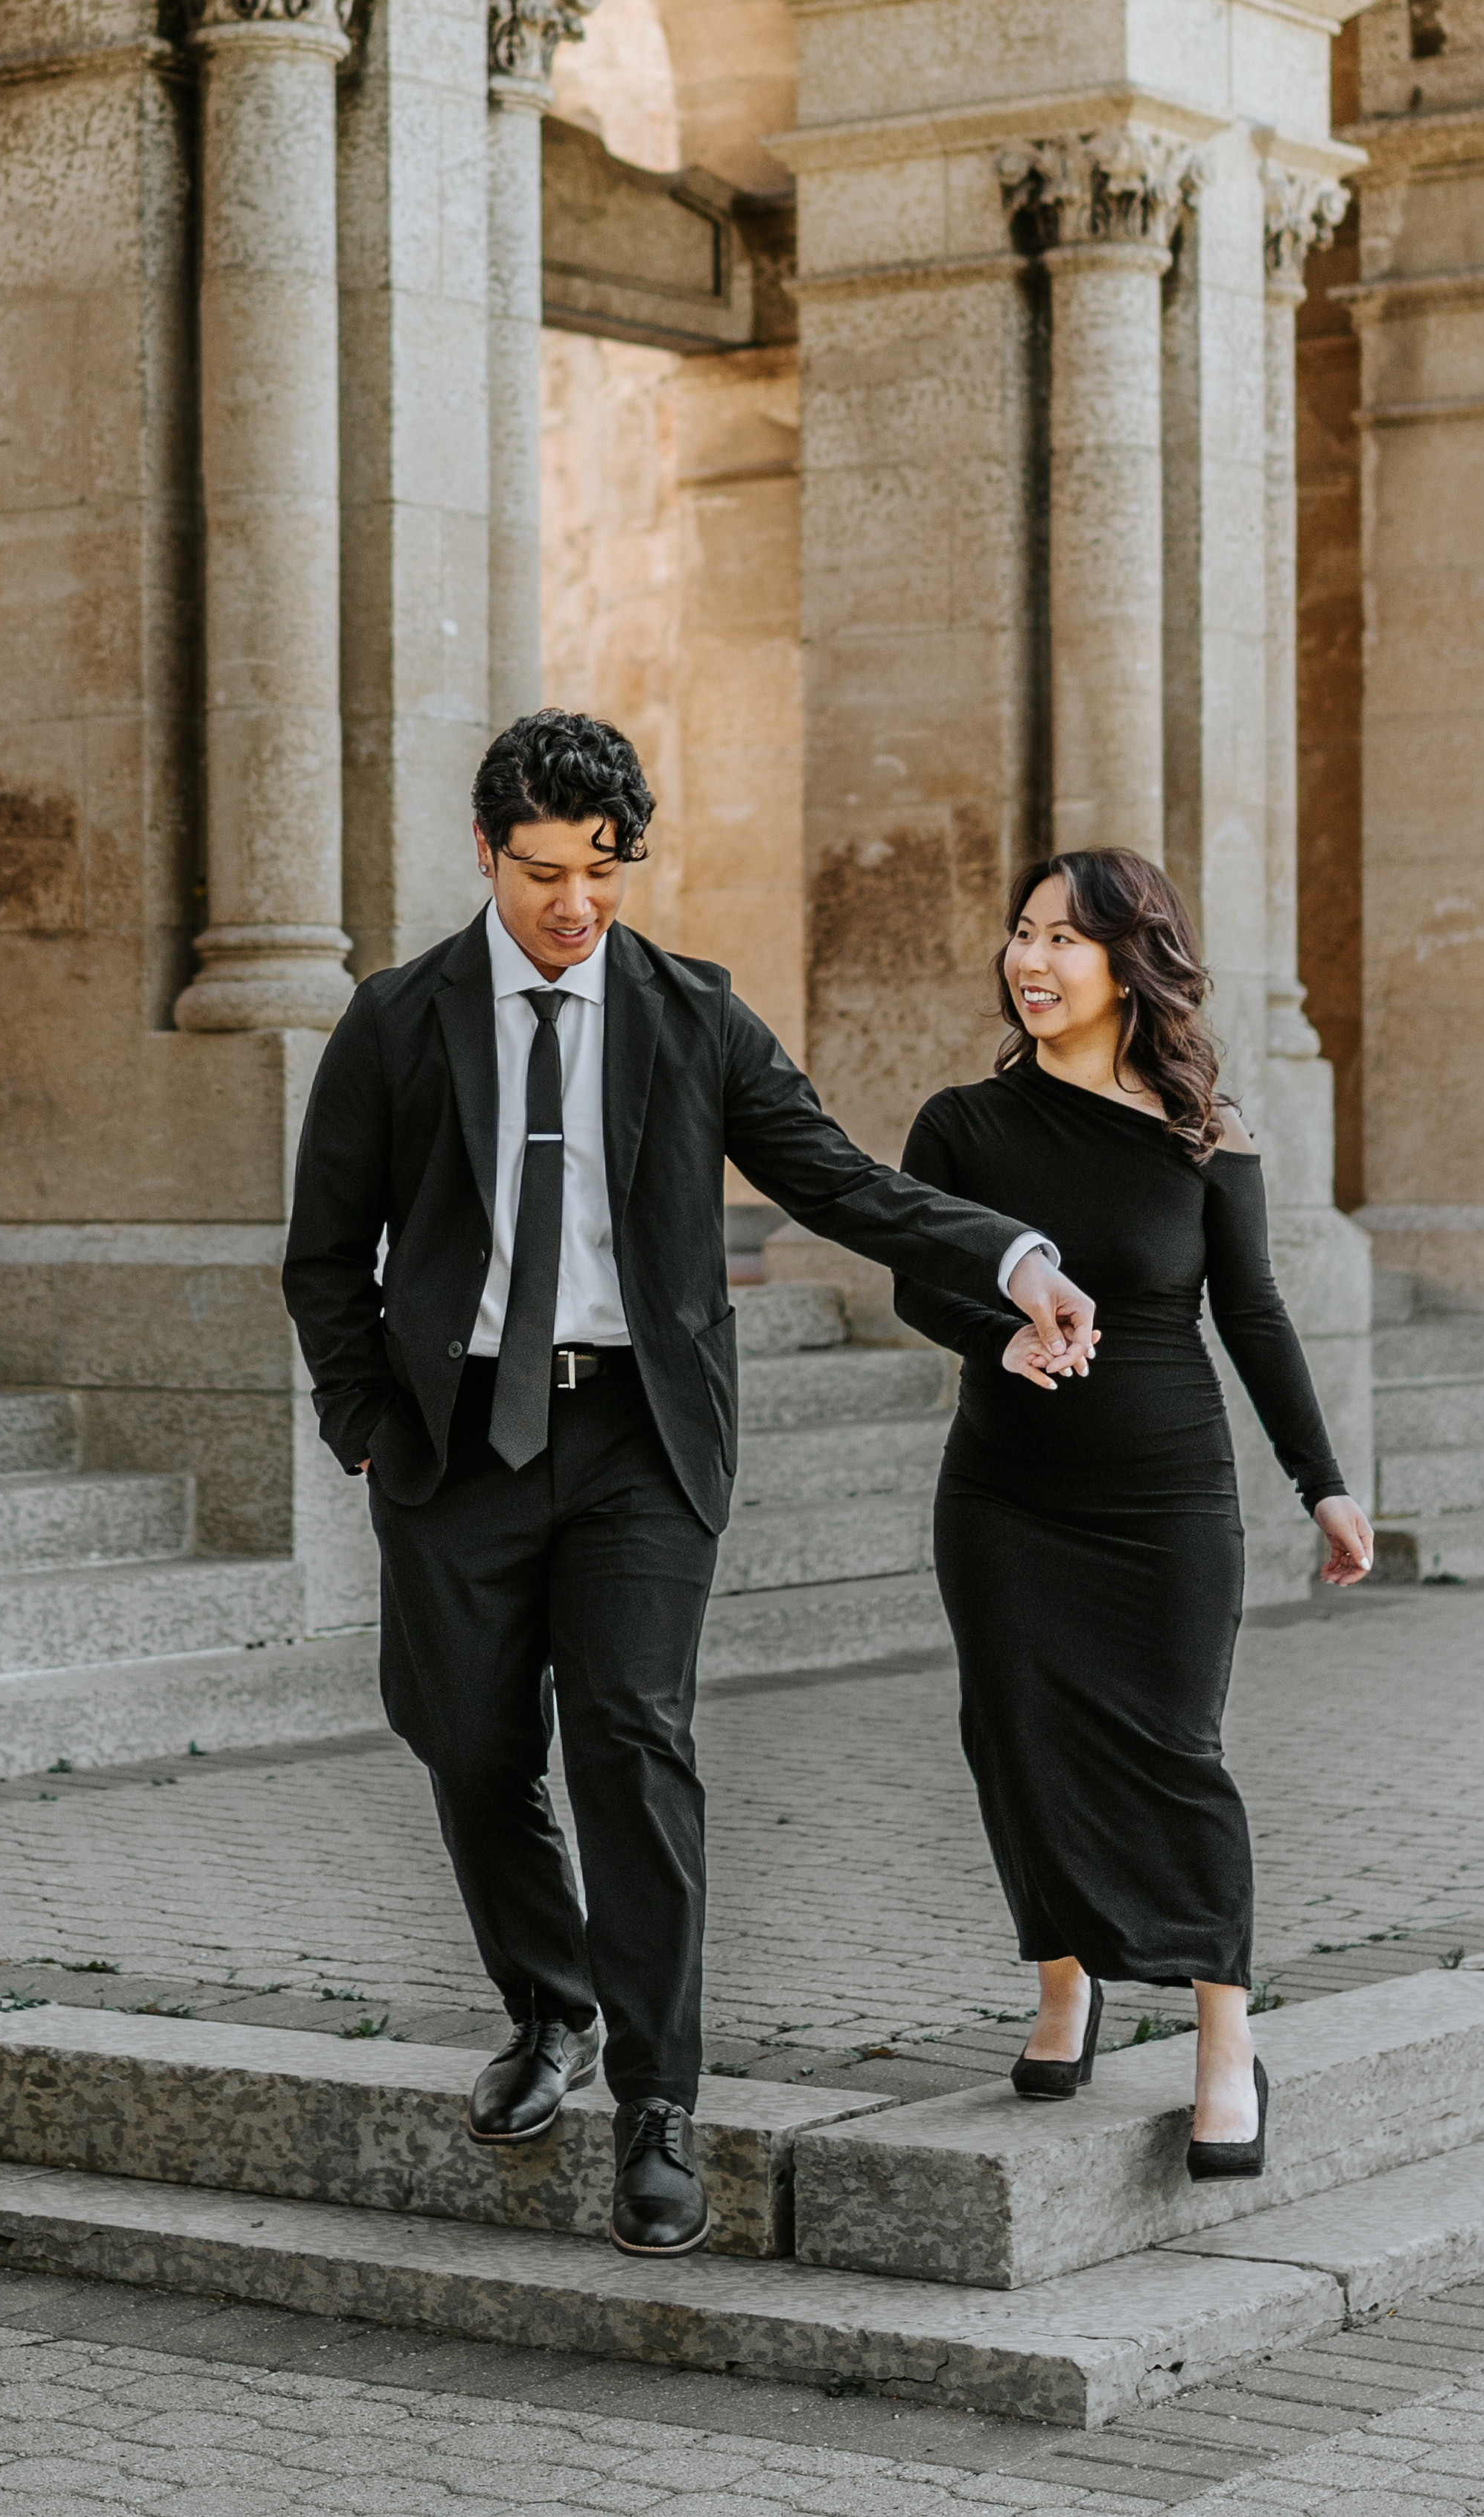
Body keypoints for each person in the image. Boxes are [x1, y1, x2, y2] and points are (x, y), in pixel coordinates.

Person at [281, 710, 1101, 2259]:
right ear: (484, 852)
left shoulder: (690, 1018)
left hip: (639, 1443)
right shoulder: (398, 1020)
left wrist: (1010, 1259)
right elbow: (326, 1255)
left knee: (629, 1738)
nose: (573, 906)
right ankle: (551, 2001)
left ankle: (660, 2106)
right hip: (454, 1445)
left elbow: (843, 1181)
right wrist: (370, 1424)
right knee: (463, 1737)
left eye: (600, 873)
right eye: (541, 873)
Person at [891, 848, 1375, 2179]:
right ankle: (1066, 1981)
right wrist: (998, 1338)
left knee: (1174, 1753)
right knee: (1019, 1740)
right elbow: (919, 1284)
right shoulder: (961, 1127)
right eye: (1021, 934)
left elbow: (1256, 1315)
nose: (1030, 962)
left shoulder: (1200, 1132)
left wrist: (1320, 1481)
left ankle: (1225, 2039)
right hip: (1004, 1496)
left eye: (1063, 940)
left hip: (1167, 1497)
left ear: (1128, 963)